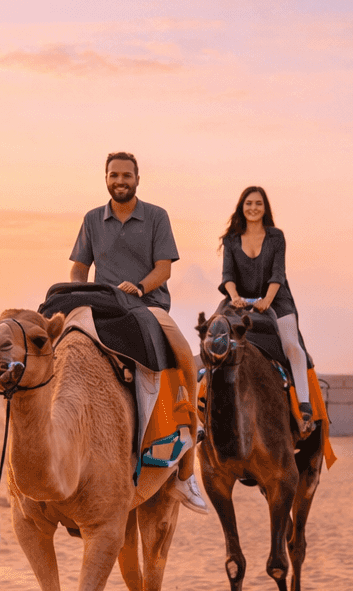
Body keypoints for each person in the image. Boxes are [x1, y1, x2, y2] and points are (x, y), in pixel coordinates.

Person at [69, 151, 207, 512]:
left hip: (148, 305)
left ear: (137, 179)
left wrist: (140, 288)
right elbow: (79, 268)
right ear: (105, 178)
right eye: (114, 175)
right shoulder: (91, 220)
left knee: (181, 359)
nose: (120, 181)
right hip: (103, 306)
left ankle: (185, 470)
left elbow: (164, 269)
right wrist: (78, 295)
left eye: (126, 175)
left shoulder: (156, 217)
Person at [220, 185, 314, 435]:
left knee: (292, 344)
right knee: (215, 339)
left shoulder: (276, 236)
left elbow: (278, 274)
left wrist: (267, 300)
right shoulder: (230, 239)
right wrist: (235, 297)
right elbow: (228, 275)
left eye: (258, 203)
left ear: (265, 208)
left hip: (277, 297)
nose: (253, 208)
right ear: (242, 206)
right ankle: (206, 404)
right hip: (239, 298)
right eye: (248, 203)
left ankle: (304, 405)